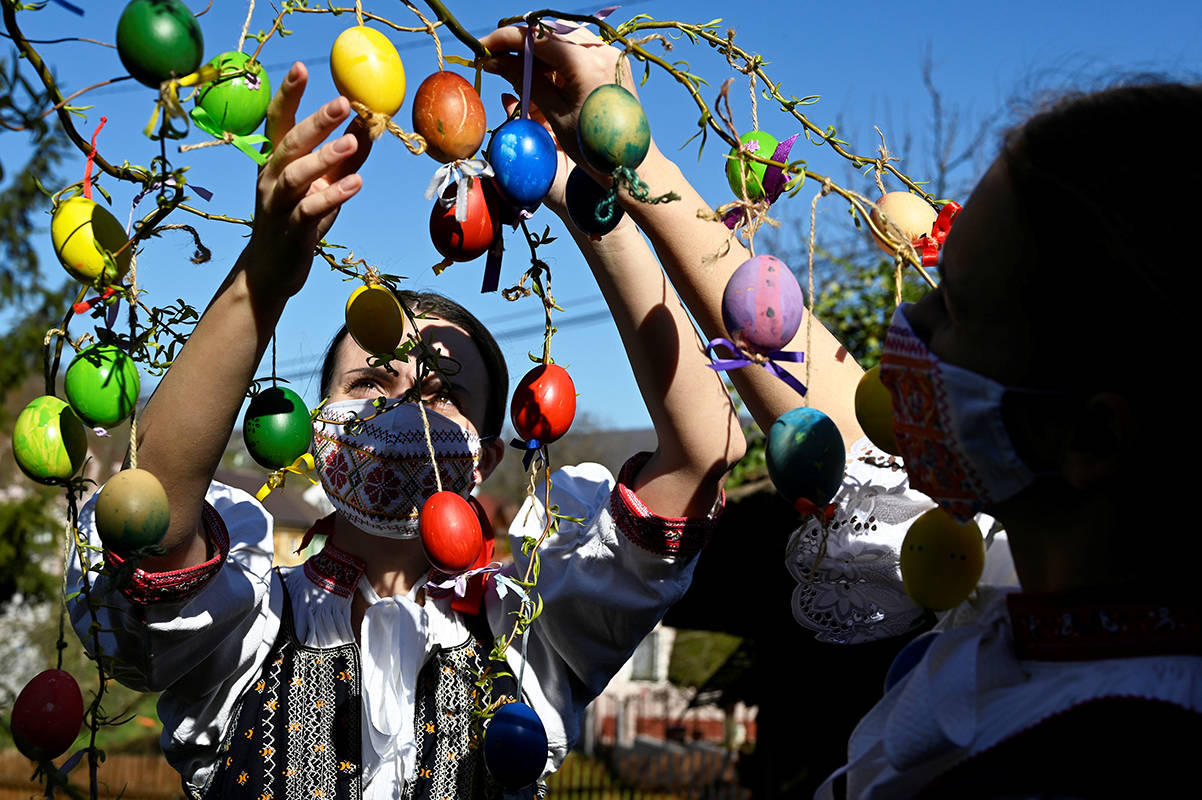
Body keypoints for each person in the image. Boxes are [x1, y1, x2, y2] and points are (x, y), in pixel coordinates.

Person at [481, 26, 1202, 798]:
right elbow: (800, 370)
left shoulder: (1111, 759)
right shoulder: (1028, 610)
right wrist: (621, 151)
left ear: (1091, 437)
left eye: (952, 306)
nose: (906, 339)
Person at [67, 57, 745, 800]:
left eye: (439, 391)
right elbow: (150, 514)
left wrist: (589, 189)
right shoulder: (245, 629)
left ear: (484, 457)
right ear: (321, 419)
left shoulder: (534, 637)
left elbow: (706, 451)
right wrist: (264, 274)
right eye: (368, 382)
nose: (401, 409)